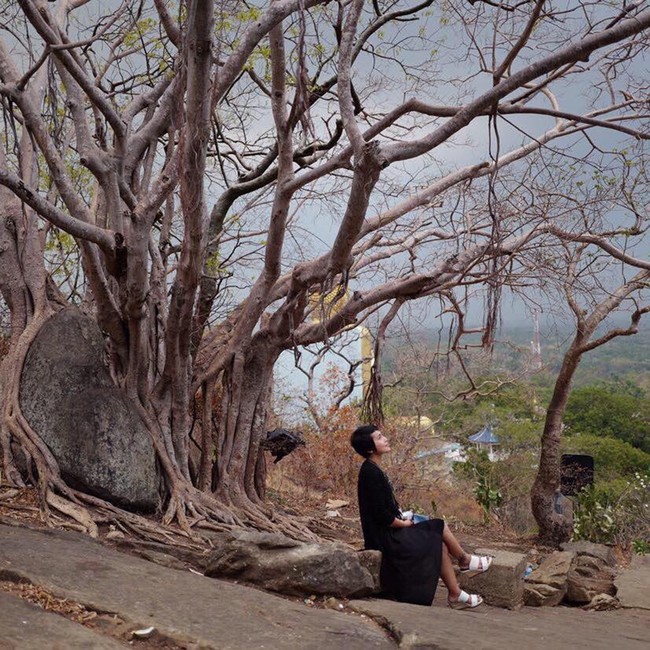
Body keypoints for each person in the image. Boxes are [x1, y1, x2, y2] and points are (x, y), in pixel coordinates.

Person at [351, 424, 492, 608]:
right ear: (370, 448)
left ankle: (455, 594)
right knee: (438, 525)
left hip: (389, 532)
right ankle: (464, 560)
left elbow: (385, 509)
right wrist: (405, 524)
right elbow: (383, 517)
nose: (385, 439)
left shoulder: (373, 469)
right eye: (379, 437)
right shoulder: (370, 473)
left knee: (439, 545)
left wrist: (403, 518)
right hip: (386, 539)